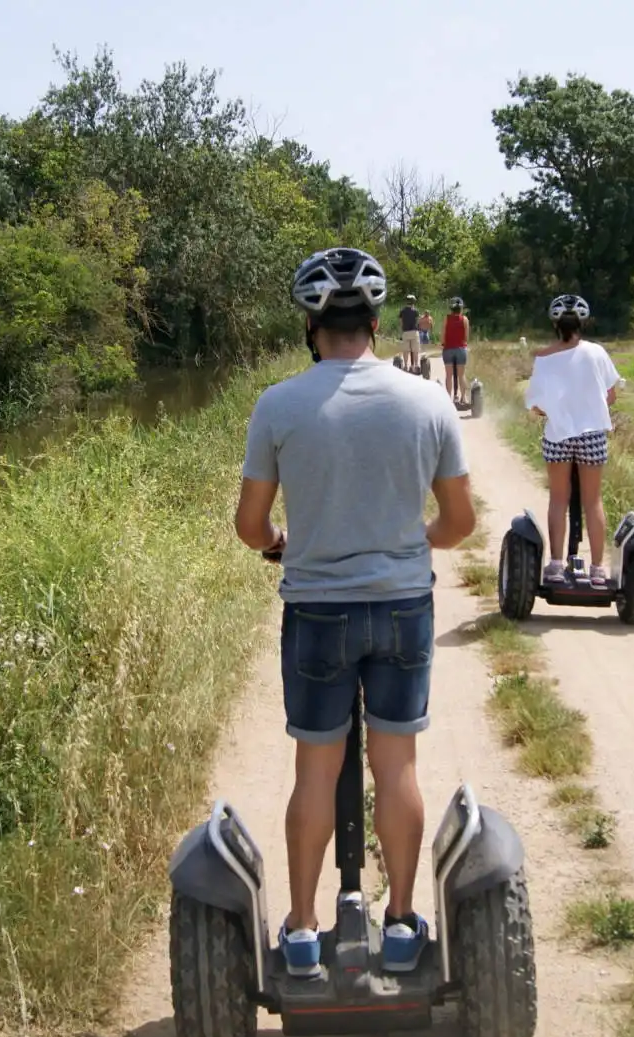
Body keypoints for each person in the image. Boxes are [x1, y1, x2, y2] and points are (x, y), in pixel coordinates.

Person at [236, 249, 475, 979]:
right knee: (396, 765)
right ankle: (401, 922)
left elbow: (251, 526)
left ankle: (304, 931)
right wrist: (409, 544)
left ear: (312, 326)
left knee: (316, 769)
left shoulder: (279, 405)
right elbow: (459, 521)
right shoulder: (427, 401)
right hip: (402, 606)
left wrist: (284, 542)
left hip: (316, 612)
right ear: (376, 324)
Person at [524, 294, 622, 589]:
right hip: (593, 434)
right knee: (593, 502)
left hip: (558, 435)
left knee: (558, 498)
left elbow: (536, 406)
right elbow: (612, 395)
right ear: (583, 322)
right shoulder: (597, 353)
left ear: (554, 324)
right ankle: (596, 569)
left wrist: (558, 410)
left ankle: (555, 565)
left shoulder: (543, 358)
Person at [442, 297, 470, 406]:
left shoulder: (446, 318)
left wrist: (443, 343)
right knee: (461, 375)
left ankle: (448, 399)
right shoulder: (465, 319)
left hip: (448, 349)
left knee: (449, 375)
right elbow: (466, 337)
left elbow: (443, 334)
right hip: (460, 349)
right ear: (461, 308)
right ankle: (463, 398)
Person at [398, 294, 421, 371]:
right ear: (413, 302)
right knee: (415, 350)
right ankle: (416, 365)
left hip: (405, 332)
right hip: (414, 332)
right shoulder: (416, 311)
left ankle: (405, 366)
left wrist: (402, 332)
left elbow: (401, 323)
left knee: (405, 350)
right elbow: (418, 322)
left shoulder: (402, 311)